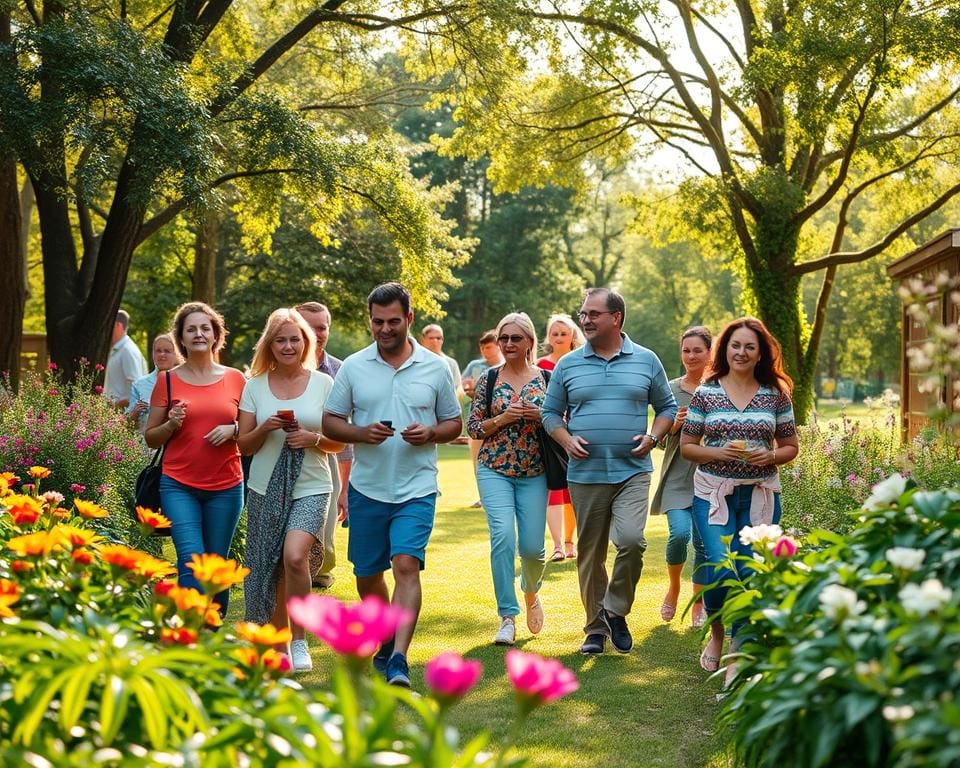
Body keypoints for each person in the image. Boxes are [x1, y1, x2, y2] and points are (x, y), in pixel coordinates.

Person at [322, 282, 462, 687]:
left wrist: (432, 433)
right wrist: (361, 433)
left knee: (405, 565)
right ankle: (384, 638)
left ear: (410, 319)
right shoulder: (353, 366)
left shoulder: (435, 367)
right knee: (367, 575)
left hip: (417, 487)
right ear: (370, 321)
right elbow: (331, 420)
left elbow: (455, 422)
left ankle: (398, 657)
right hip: (367, 488)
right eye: (378, 322)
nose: (385, 329)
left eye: (393, 322)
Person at [541, 288, 677, 656]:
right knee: (590, 553)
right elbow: (549, 414)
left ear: (615, 318)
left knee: (632, 541)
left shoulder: (647, 360)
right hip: (585, 474)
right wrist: (566, 441)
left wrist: (653, 436)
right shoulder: (569, 365)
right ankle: (595, 629)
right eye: (582, 314)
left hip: (632, 471)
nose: (584, 320)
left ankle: (615, 610)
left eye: (593, 314)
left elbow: (667, 407)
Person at [679, 317, 799, 683]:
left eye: (750, 346)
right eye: (735, 345)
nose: (742, 352)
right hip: (713, 494)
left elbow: (791, 446)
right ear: (725, 349)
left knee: (749, 573)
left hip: (761, 495)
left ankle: (737, 652)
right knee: (720, 569)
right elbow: (687, 447)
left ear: (760, 352)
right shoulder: (706, 393)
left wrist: (771, 457)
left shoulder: (775, 393)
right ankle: (716, 634)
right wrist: (718, 454)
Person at [238, 308, 344, 672]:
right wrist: (265, 428)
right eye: (280, 339)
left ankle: (299, 642)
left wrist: (313, 437)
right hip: (264, 487)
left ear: (306, 342)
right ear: (270, 344)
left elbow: (337, 443)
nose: (287, 346)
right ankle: (275, 639)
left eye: (294, 339)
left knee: (295, 557)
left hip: (313, 485)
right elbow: (243, 446)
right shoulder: (253, 386)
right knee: (269, 565)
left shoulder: (324, 384)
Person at [144, 302, 246, 615]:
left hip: (227, 486)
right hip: (178, 484)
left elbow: (252, 432)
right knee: (190, 560)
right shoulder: (168, 380)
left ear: (216, 335)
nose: (199, 334)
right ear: (182, 338)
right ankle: (190, 630)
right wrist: (172, 424)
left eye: (205, 328)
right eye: (191, 329)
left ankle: (212, 626)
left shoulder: (236, 379)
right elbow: (151, 436)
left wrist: (233, 428)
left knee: (214, 565)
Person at [467, 312, 548, 646]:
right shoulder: (488, 380)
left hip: (535, 471)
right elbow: (473, 427)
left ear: (529, 341)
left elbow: (563, 423)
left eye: (516, 338)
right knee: (502, 537)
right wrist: (501, 418)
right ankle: (507, 616)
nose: (509, 344)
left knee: (532, 549)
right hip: (494, 468)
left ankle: (531, 592)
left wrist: (540, 416)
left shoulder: (546, 379)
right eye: (504, 338)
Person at [650, 326, 712, 628]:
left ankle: (698, 601)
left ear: (710, 353)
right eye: (686, 350)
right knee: (679, 534)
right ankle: (674, 587)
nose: (691, 356)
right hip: (676, 475)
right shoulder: (670, 389)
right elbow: (658, 440)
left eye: (697, 350)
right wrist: (674, 424)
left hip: (711, 478)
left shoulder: (721, 387)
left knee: (703, 545)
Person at [296, 301, 354, 590]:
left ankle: (319, 569)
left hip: (325, 455)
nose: (317, 334)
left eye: (322, 327)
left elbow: (345, 436)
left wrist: (345, 488)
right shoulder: (279, 366)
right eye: (309, 327)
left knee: (326, 523)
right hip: (284, 457)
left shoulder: (339, 371)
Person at [536, 314, 584, 562]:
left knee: (572, 490)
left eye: (563, 333)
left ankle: (569, 542)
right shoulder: (540, 365)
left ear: (572, 336)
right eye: (554, 333)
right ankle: (556, 545)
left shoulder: (581, 362)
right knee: (554, 488)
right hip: (549, 434)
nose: (558, 338)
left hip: (578, 431)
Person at [461, 330, 504, 507]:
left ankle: (500, 496)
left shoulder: (506, 365)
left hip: (500, 420)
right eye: (482, 347)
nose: (485, 351)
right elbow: (463, 388)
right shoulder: (474, 365)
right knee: (477, 459)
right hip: (477, 420)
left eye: (489, 347)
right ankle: (483, 497)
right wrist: (468, 391)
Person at [126, 334, 182, 434]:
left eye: (167, 351)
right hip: (146, 445)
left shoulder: (185, 381)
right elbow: (127, 424)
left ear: (176, 354)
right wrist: (134, 413)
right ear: (153, 354)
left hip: (178, 444)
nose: (162, 354)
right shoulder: (139, 385)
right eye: (158, 351)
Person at [104, 309, 148, 408]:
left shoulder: (127, 351)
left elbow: (137, 391)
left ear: (118, 325)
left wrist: (115, 406)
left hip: (123, 416)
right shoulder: (118, 349)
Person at [420, 324, 463, 396]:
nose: (435, 341)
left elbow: (458, 389)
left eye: (438, 338)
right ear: (423, 340)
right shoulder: (415, 361)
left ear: (442, 340)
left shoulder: (451, 363)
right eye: (431, 338)